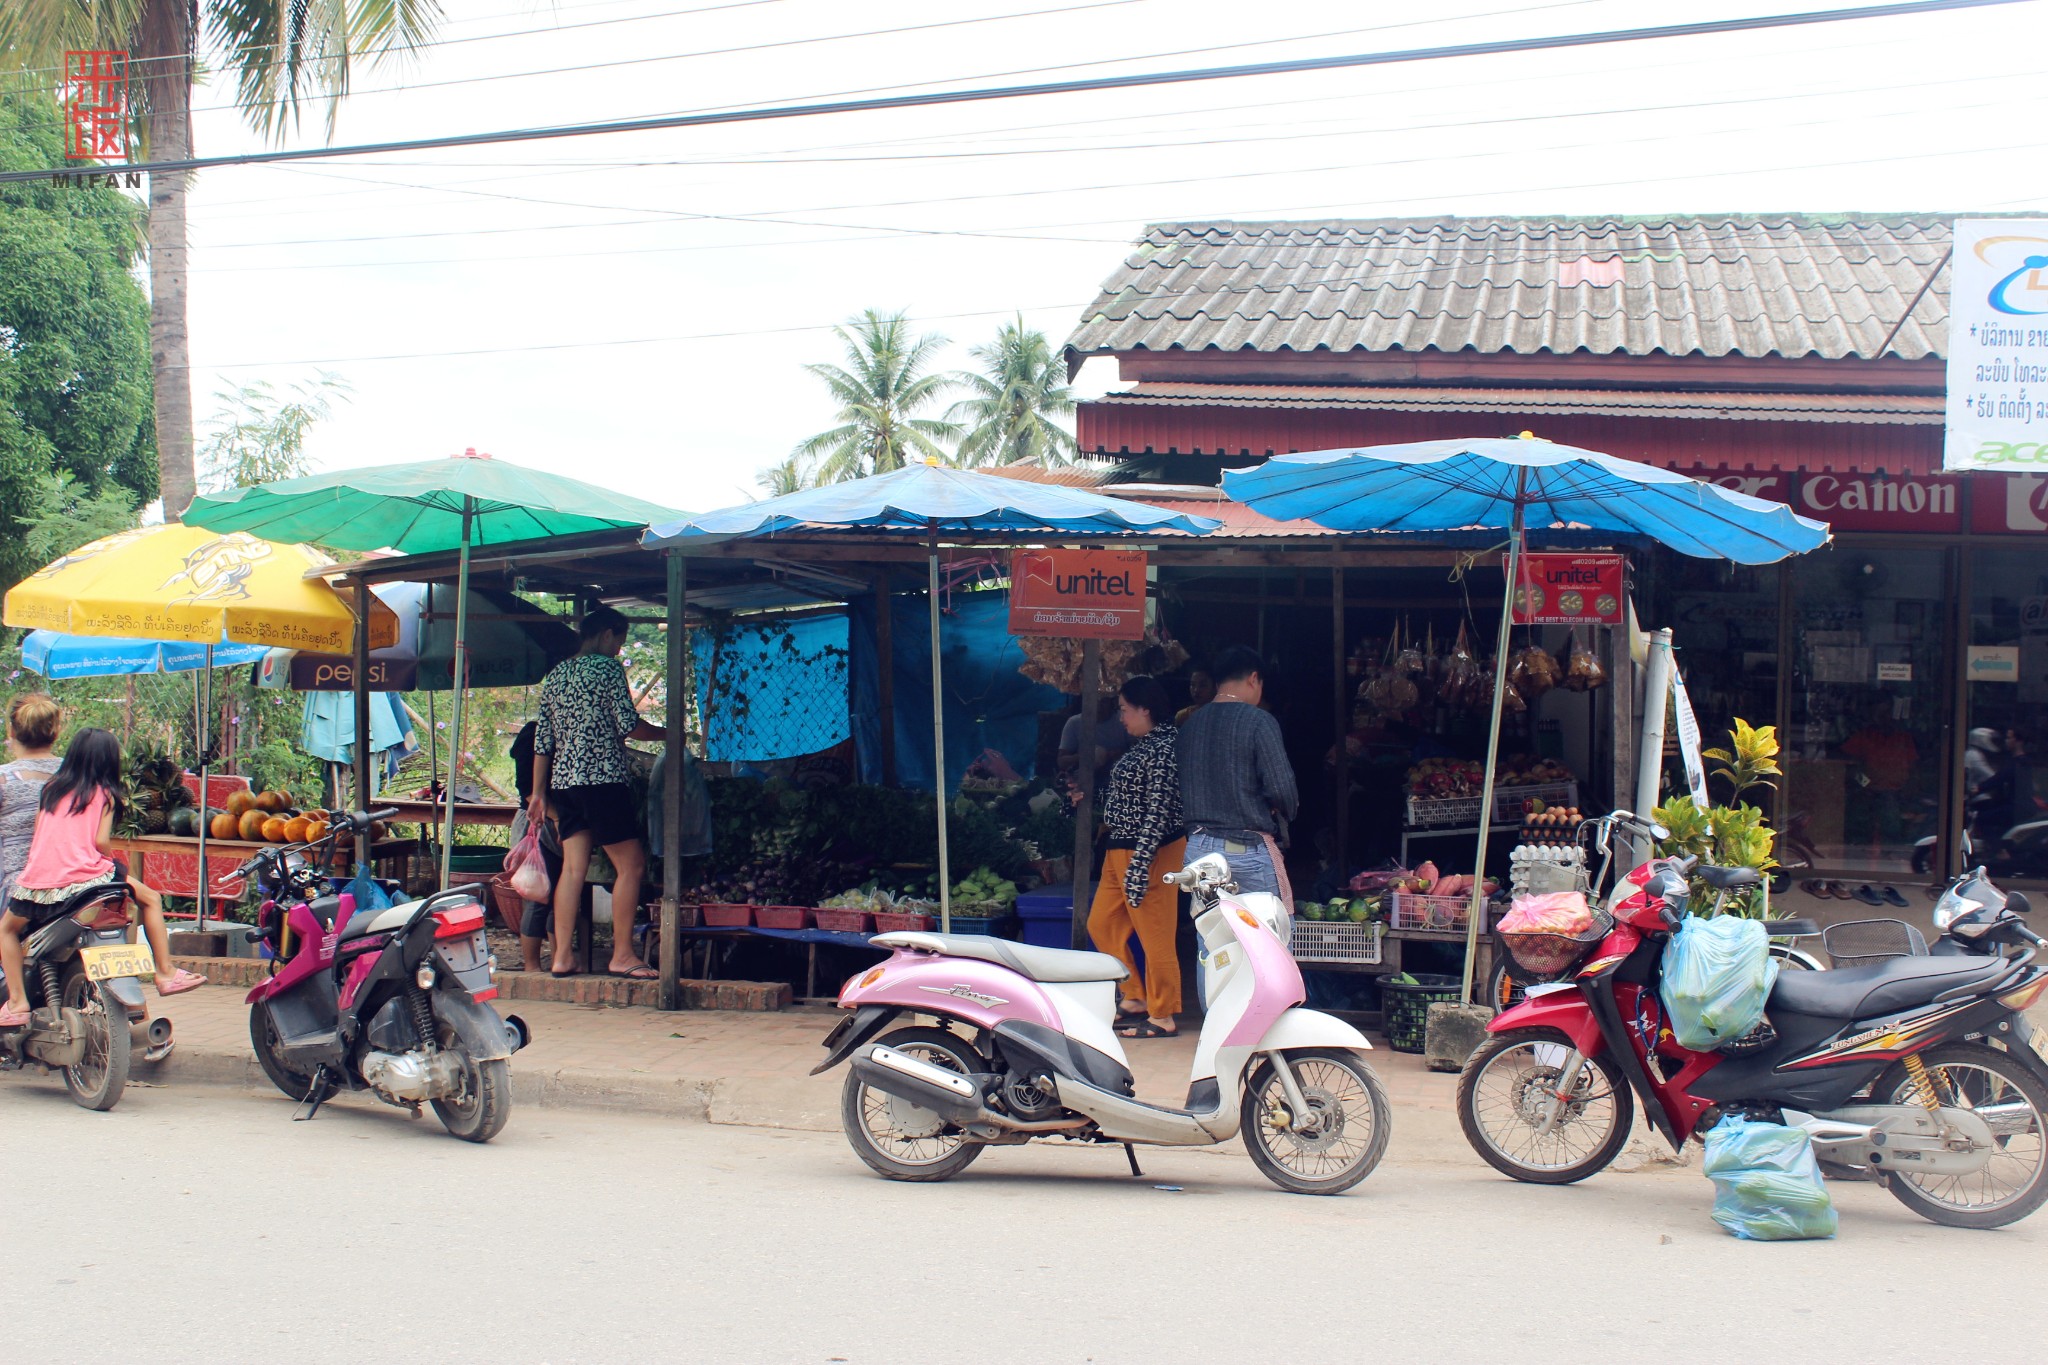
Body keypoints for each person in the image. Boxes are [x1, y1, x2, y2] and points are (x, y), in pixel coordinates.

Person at [1, 728, 203, 1028]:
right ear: (109, 762)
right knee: (151, 898)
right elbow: (101, 842)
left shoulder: (52, 789)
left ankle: (17, 1002)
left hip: (38, 882)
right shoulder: (105, 794)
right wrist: (113, 867)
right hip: (88, 876)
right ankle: (165, 972)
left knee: (7, 930)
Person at [529, 605, 666, 980]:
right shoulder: (606, 669)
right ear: (608, 633)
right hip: (602, 781)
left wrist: (539, 793)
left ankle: (561, 957)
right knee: (632, 865)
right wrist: (671, 734)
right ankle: (622, 954)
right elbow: (628, 724)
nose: (618, 650)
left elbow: (543, 740)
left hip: (564, 784)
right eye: (619, 642)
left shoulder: (556, 674)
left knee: (573, 870)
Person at [1086, 676, 1187, 1039]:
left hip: (1150, 849)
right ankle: (1134, 997)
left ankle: (1163, 1014)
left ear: (1146, 709)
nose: (1122, 718)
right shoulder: (1146, 744)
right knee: (1101, 924)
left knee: (1154, 932)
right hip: (1121, 847)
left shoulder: (1164, 747)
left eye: (1126, 710)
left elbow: (1158, 811)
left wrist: (1142, 863)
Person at [1177, 646, 1298, 911]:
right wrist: (1284, 810)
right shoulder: (1259, 721)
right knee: (1269, 937)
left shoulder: (1189, 726)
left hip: (1198, 849)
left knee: (1214, 939)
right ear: (1254, 679)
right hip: (1245, 848)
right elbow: (1282, 789)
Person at [507, 720, 564, 973]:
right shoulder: (533, 734)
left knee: (558, 896)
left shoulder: (563, 733)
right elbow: (529, 793)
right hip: (537, 823)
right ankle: (531, 966)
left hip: (557, 823)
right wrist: (557, 818)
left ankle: (558, 958)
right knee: (538, 896)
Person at [1, 694, 63, 908]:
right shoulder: (74, 773)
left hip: (13, 887)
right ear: (56, 732)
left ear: (11, 731)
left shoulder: (4, 778)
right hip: (68, 881)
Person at [1058, 694, 1128, 777]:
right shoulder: (1074, 723)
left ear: (1112, 702)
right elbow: (1061, 761)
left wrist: (1110, 755)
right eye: (1093, 701)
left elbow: (1136, 749)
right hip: (1084, 778)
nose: (1098, 706)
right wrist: (1086, 756)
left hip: (1118, 776)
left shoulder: (1124, 719)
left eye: (1104, 702)